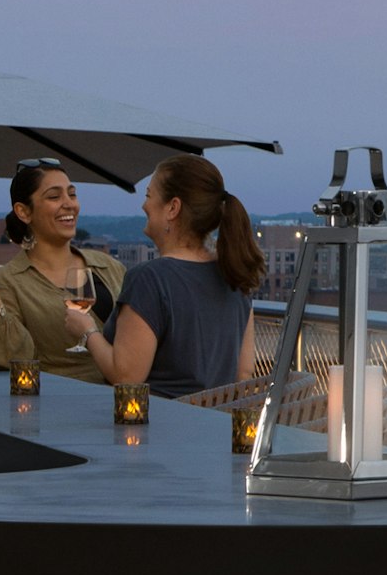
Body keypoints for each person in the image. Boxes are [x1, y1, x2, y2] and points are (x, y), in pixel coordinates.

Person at [103, 153, 268, 397]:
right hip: (212, 427)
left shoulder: (149, 279)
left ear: (173, 208)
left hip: (156, 429)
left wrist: (87, 332)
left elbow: (127, 378)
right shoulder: (236, 276)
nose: (144, 205)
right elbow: (243, 373)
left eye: (149, 196)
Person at [0, 159, 128, 379]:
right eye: (54, 196)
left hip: (127, 401)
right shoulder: (8, 281)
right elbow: (3, 356)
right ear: (23, 212)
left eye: (72, 194)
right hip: (60, 403)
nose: (69, 204)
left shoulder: (109, 266)